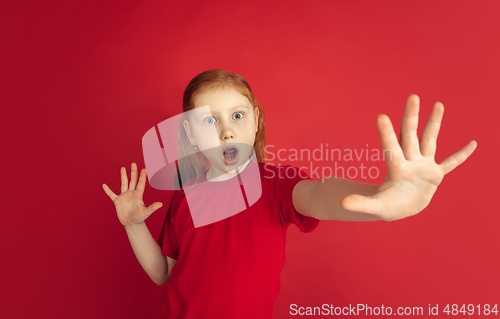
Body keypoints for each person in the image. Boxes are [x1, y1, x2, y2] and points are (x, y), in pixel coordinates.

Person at [102, 69, 477, 318]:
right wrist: (133, 226)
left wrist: (382, 198)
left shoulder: (275, 184)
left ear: (256, 119)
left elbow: (316, 194)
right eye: (208, 120)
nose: (225, 131)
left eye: (237, 115)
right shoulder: (185, 195)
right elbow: (164, 274)